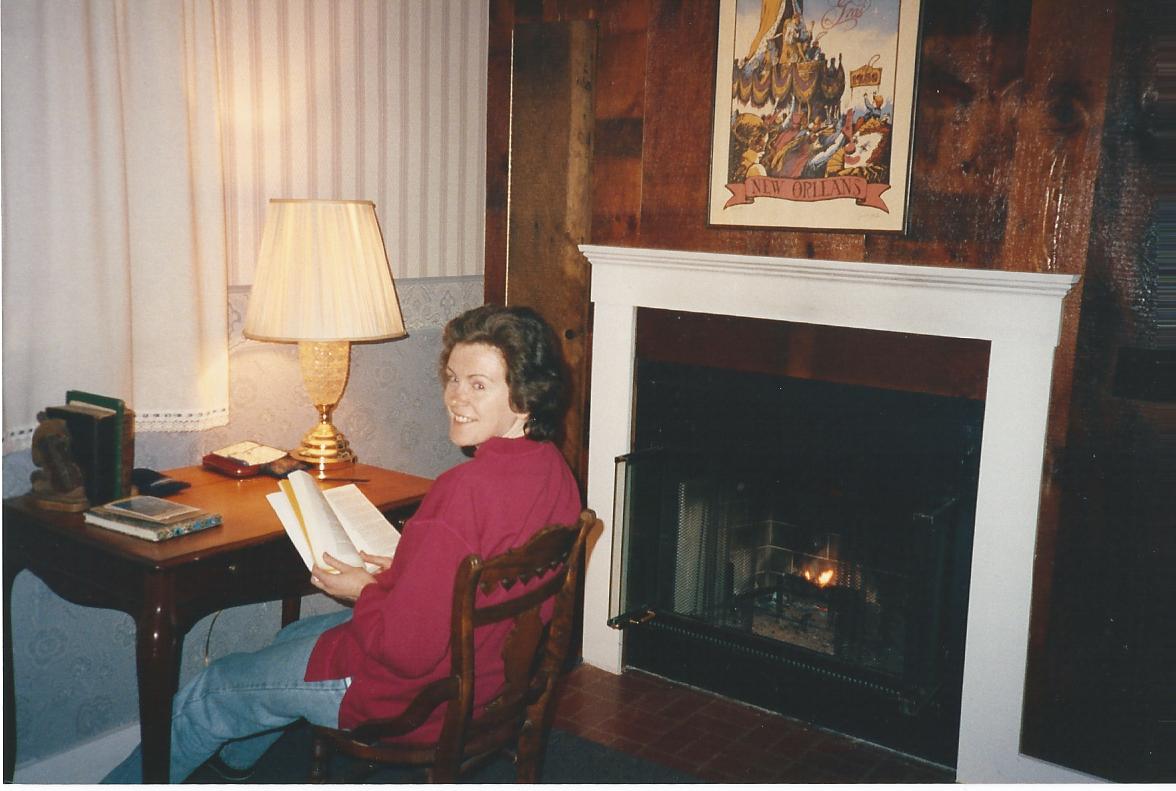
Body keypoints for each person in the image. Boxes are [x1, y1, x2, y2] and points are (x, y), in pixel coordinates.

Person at [103, 305, 583, 783]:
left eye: (479, 385)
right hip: (489, 684)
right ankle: (233, 764)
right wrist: (409, 568)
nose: (456, 397)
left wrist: (363, 591)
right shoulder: (554, 471)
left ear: (525, 397)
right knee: (290, 637)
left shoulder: (463, 491)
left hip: (415, 697)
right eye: (453, 378)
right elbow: (482, 572)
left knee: (213, 688)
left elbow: (406, 652)